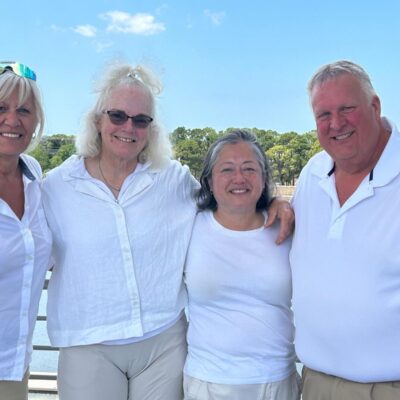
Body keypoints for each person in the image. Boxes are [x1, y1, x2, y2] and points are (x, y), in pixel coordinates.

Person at [41, 62, 293, 400]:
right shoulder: (56, 188)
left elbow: (228, 198)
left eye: (140, 120)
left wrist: (274, 202)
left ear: (151, 128)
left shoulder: (172, 179)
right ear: (98, 120)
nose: (128, 127)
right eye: (118, 116)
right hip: (88, 342)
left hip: (163, 343)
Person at [290, 60, 400, 400]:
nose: (336, 123)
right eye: (323, 114)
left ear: (375, 106)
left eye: (347, 109)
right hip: (315, 383)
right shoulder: (312, 174)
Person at [183, 130, 300, 400]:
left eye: (249, 168)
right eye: (227, 169)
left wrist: (281, 203)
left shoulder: (288, 227)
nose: (239, 178)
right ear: (210, 180)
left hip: (275, 381)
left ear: (263, 178)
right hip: (207, 382)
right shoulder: (189, 224)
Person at [0, 62, 52, 400]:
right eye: (1, 108)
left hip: (15, 366)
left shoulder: (34, 175)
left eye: (24, 110)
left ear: (36, 122)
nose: (12, 120)